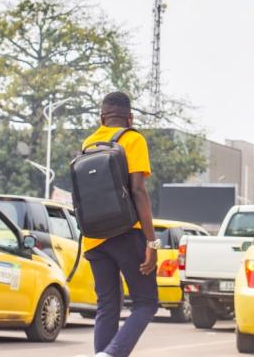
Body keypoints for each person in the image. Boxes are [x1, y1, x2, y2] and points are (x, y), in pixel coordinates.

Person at [81, 91, 159, 357]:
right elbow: (138, 190)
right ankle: (111, 354)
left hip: (93, 237)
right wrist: (152, 242)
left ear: (102, 117)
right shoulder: (133, 139)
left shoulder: (89, 143)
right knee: (146, 302)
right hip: (126, 234)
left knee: (107, 306)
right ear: (130, 117)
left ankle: (103, 353)